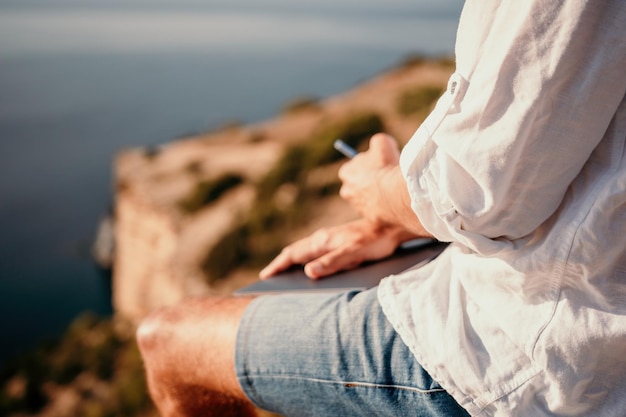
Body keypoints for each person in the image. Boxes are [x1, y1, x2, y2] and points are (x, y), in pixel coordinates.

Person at [136, 1, 626, 416]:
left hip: (540, 364)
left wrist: (379, 190)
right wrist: (407, 223)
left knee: (169, 341)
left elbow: (478, 196)